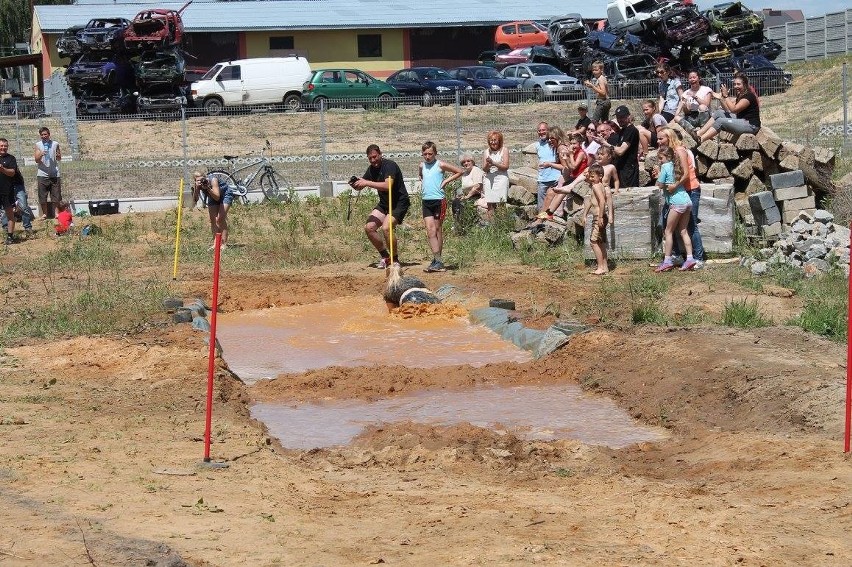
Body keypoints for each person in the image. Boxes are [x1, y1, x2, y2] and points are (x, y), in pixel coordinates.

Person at [353, 144, 410, 269]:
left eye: (375, 157)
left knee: (386, 228)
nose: (373, 161)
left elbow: (387, 185)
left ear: (380, 154)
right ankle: (385, 257)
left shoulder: (390, 165)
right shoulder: (371, 169)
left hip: (399, 203)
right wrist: (358, 184)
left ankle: (395, 260)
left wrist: (367, 182)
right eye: (370, 158)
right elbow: (364, 182)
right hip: (385, 203)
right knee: (369, 227)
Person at [537, 145, 619, 221]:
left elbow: (616, 180)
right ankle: (549, 213)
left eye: (602, 154)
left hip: (603, 188)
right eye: (598, 154)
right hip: (593, 187)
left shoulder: (611, 167)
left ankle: (610, 215)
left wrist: (616, 190)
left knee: (606, 191)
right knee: (561, 192)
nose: (599, 156)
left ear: (609, 157)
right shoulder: (595, 165)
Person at [660, 127, 704, 266]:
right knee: (666, 221)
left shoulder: (679, 151)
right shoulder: (669, 154)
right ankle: (676, 255)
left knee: (691, 225)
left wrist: (674, 185)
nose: (658, 141)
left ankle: (698, 258)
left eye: (661, 138)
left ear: (669, 138)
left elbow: (686, 174)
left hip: (690, 190)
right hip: (677, 193)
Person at [418, 141, 462, 273]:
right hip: (426, 200)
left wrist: (446, 181)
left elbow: (459, 171)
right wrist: (420, 177)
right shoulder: (421, 165)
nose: (427, 156)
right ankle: (437, 259)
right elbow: (420, 173)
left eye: (430, 154)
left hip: (439, 201)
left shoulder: (440, 164)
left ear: (435, 153)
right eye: (425, 154)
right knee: (430, 230)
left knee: (437, 230)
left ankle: (438, 260)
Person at [654, 146, 696, 272]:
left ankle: (667, 261)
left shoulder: (665, 167)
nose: (660, 161)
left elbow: (660, 185)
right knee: (683, 230)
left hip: (677, 203)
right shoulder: (675, 165)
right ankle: (690, 259)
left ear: (667, 157)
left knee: (668, 231)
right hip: (687, 201)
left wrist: (658, 174)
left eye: (661, 158)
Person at [694, 72, 761, 143]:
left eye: (738, 84)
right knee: (719, 113)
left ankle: (701, 139)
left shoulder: (749, 96)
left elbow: (734, 110)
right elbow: (728, 110)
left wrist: (726, 96)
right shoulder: (740, 94)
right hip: (741, 119)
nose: (736, 86)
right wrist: (721, 98)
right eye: (734, 84)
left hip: (750, 125)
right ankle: (699, 133)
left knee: (720, 121)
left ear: (744, 84)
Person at [579, 164, 612, 275]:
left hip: (599, 217)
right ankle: (605, 267)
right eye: (590, 176)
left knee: (593, 242)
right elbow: (591, 201)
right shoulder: (600, 185)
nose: (591, 178)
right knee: (600, 242)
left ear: (600, 176)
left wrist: (601, 217)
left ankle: (600, 267)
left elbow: (602, 201)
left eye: (593, 176)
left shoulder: (596, 186)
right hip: (599, 216)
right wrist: (585, 214)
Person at [192, 170, 236, 251]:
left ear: (205, 177)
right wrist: (196, 188)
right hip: (212, 195)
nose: (201, 182)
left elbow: (217, 197)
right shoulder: (198, 185)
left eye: (202, 179)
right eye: (197, 180)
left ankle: (224, 244)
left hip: (224, 194)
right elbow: (195, 200)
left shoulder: (213, 180)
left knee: (220, 219)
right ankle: (216, 243)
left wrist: (208, 188)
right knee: (213, 220)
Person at [603, 105, 640, 189]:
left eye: (622, 117)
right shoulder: (623, 130)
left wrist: (606, 144)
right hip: (621, 168)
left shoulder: (631, 130)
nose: (620, 120)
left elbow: (620, 151)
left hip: (629, 170)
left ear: (628, 116)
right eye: (618, 117)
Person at [451, 153, 486, 227]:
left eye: (468, 161)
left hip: (477, 195)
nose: (466, 163)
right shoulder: (465, 174)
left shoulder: (476, 170)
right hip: (469, 196)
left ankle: (462, 224)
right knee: (455, 201)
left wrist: (467, 196)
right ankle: (458, 223)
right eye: (464, 162)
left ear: (472, 162)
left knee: (459, 203)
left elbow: (478, 186)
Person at [34, 127, 62, 220]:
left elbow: (59, 158)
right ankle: (45, 214)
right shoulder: (38, 145)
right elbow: (37, 160)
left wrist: (58, 155)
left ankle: (56, 213)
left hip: (54, 173)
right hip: (42, 173)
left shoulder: (55, 144)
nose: (43, 136)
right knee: (42, 195)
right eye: (42, 135)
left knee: (56, 195)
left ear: (49, 134)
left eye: (45, 134)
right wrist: (41, 153)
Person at [482, 130, 510, 221]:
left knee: (501, 203)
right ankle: (492, 226)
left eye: (495, 140)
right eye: (491, 140)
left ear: (499, 140)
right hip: (489, 179)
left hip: (501, 179)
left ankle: (502, 225)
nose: (493, 142)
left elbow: (505, 166)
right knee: (490, 204)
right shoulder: (486, 152)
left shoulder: (504, 150)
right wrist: (488, 165)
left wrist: (494, 163)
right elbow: (484, 169)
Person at [534, 122, 559, 210]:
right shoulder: (537, 145)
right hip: (542, 179)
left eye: (543, 130)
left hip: (556, 178)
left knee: (554, 207)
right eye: (539, 130)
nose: (541, 132)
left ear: (548, 130)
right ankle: (540, 222)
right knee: (541, 206)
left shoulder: (554, 143)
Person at [0, 138, 19, 245]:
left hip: (7, 191)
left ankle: (10, 237)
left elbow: (12, 173)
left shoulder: (11, 159)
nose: (3, 148)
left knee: (10, 215)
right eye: (1, 146)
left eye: (5, 146)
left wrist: (3, 169)